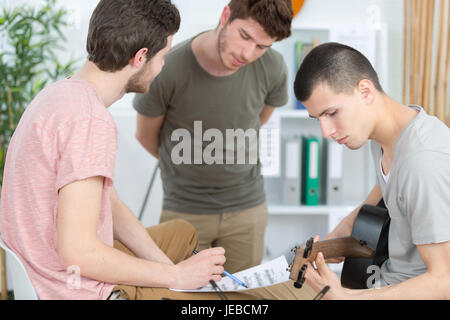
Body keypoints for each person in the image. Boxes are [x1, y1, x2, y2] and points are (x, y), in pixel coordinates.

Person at [0, 0, 316, 300]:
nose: (164, 65)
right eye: (163, 56)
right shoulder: (90, 120)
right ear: (140, 57)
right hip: (73, 287)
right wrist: (175, 278)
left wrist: (169, 267)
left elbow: (106, 201)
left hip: (46, 270)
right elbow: (79, 252)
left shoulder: (59, 96)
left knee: (181, 233)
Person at [133, 0, 294, 274]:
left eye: (262, 46)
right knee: (185, 298)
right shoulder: (168, 68)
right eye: (244, 36)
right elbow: (146, 136)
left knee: (243, 299)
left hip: (247, 210)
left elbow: (257, 120)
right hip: (184, 210)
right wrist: (189, 166)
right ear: (225, 15)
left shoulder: (273, 67)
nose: (247, 53)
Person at [293, 42, 450, 299]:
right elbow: (378, 202)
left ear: (365, 91)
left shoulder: (423, 161)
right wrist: (326, 247)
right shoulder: (387, 139)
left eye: (331, 113)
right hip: (379, 280)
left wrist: (345, 298)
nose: (326, 132)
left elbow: (445, 282)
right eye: (318, 119)